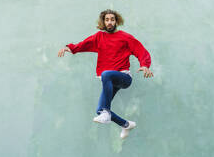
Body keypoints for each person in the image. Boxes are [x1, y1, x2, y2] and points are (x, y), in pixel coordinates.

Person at [58, 9, 153, 139]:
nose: (109, 22)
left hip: (123, 77)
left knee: (106, 75)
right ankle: (126, 125)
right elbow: (84, 44)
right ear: (103, 22)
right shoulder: (99, 37)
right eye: (107, 20)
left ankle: (107, 113)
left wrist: (144, 65)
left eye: (112, 20)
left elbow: (140, 50)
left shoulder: (125, 37)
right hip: (109, 79)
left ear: (116, 21)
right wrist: (70, 48)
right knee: (100, 110)